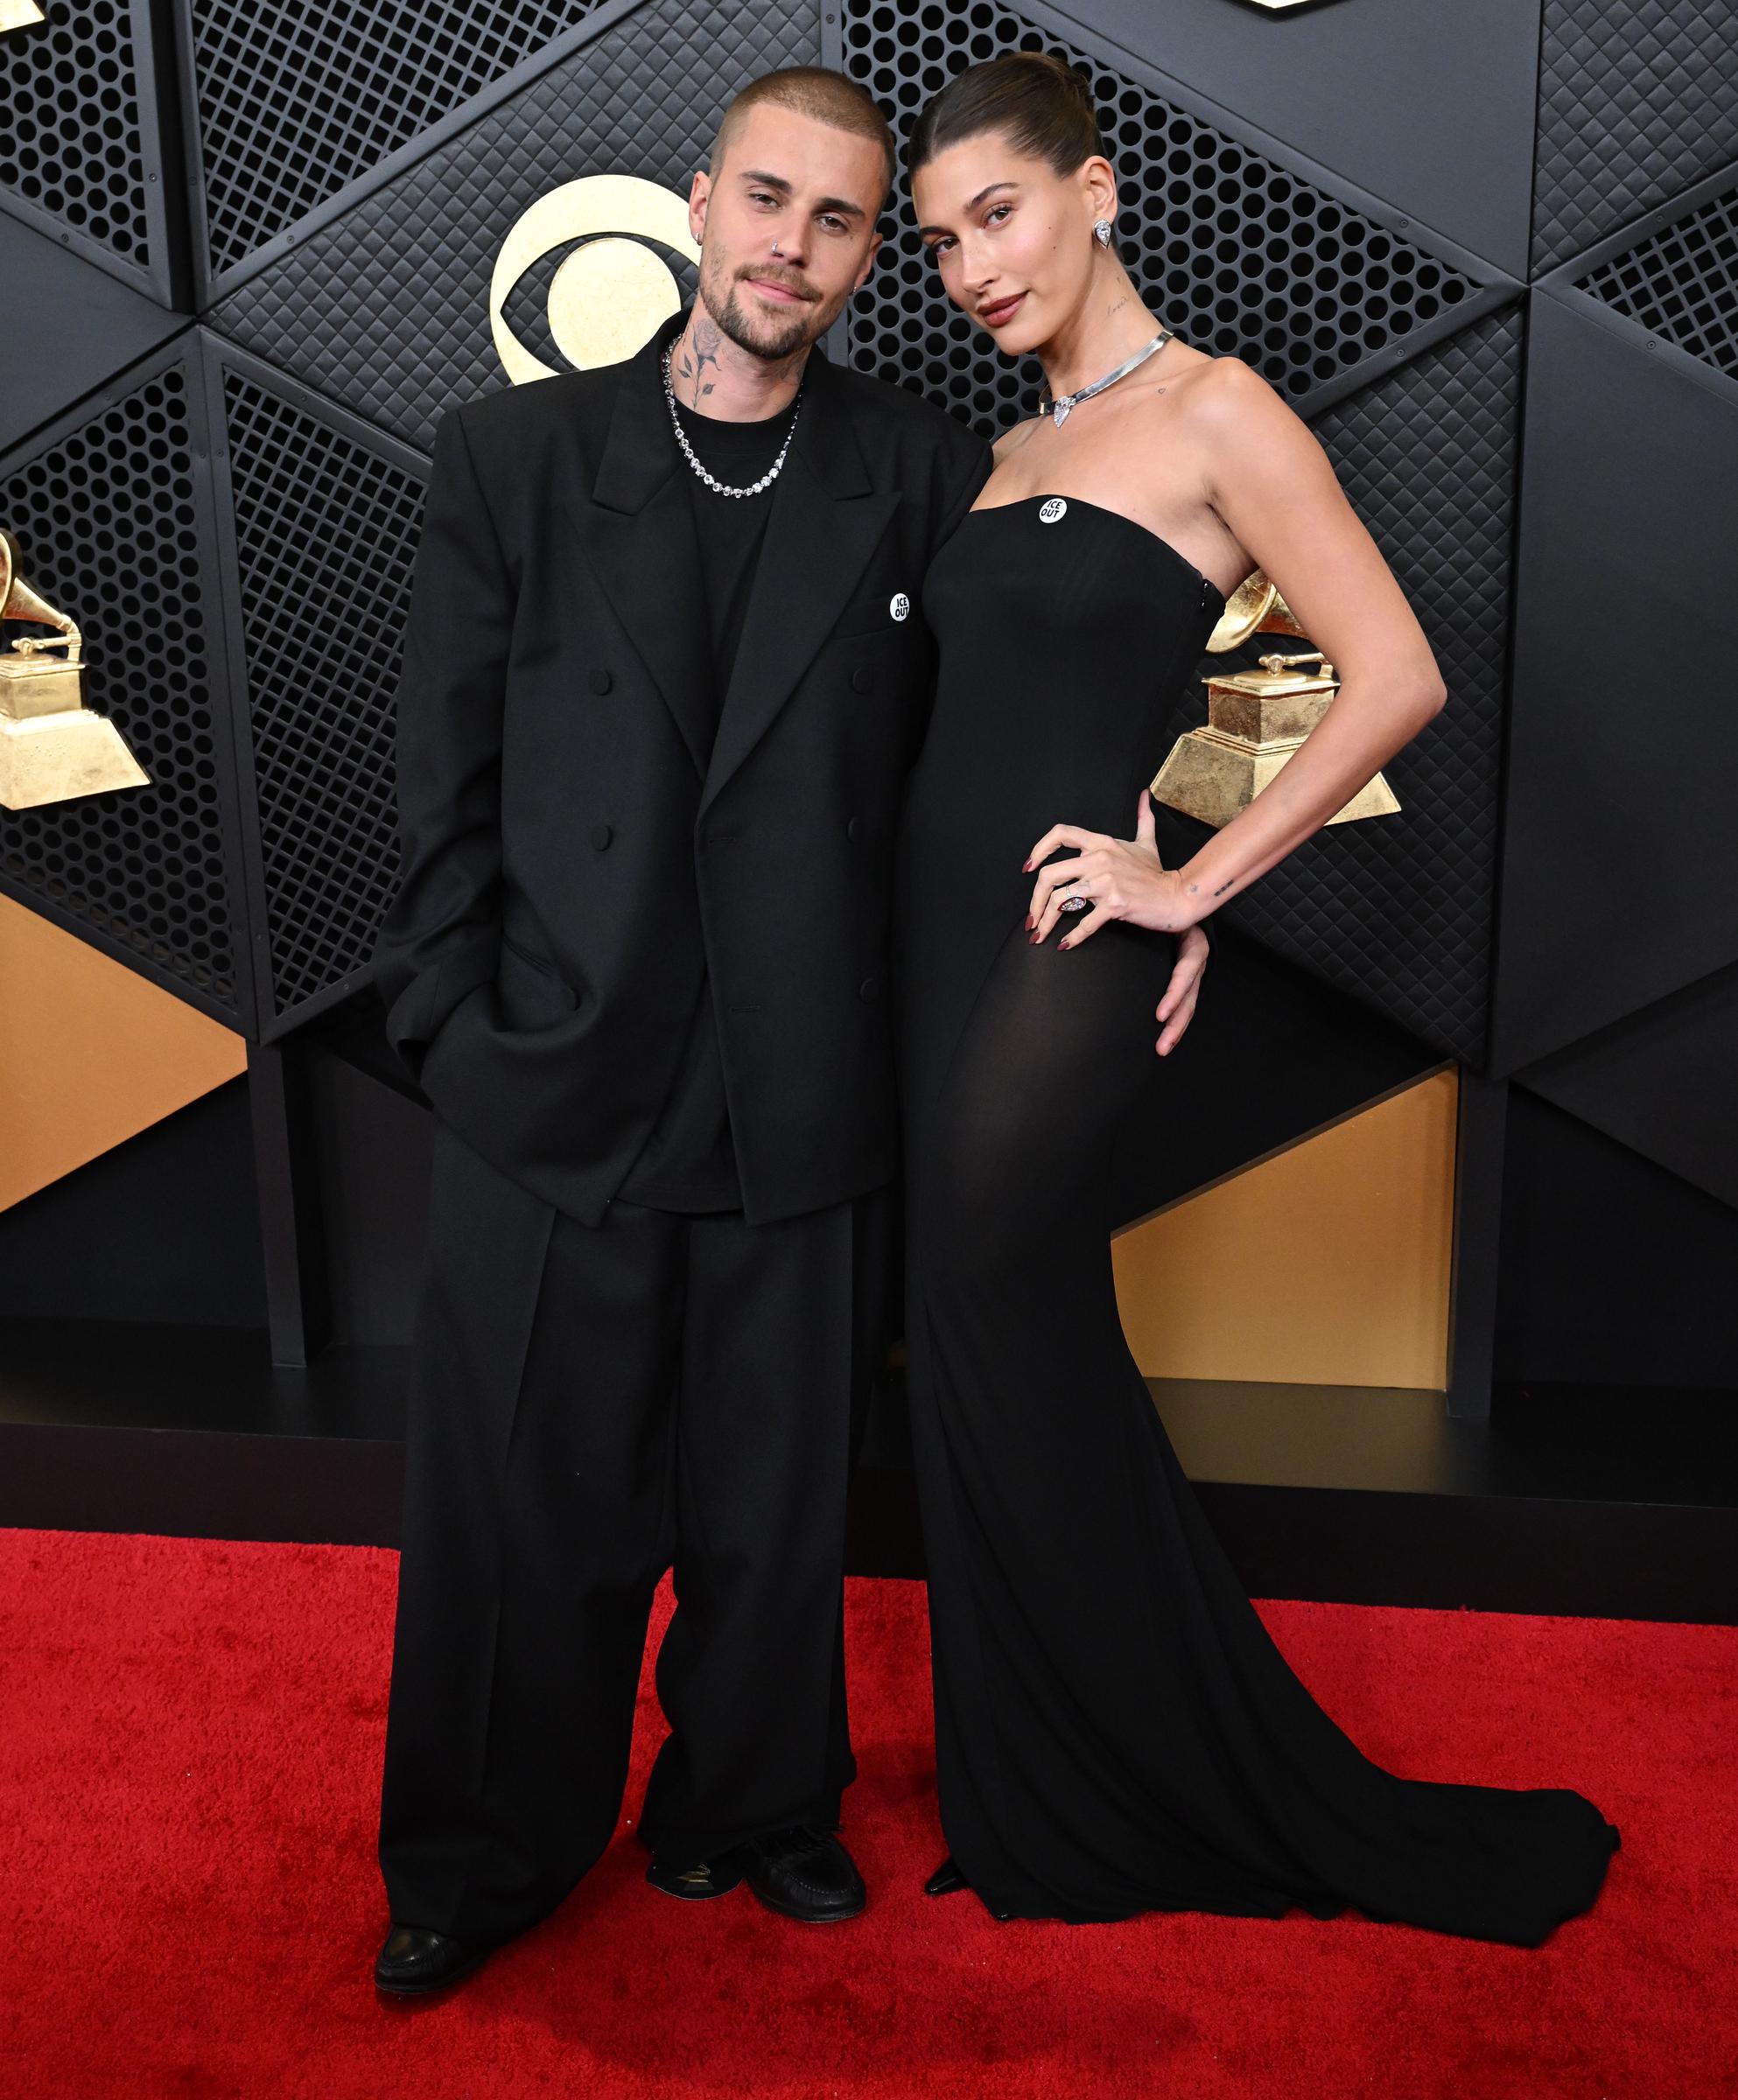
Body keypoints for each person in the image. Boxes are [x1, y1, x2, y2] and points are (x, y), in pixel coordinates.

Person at [895, 51, 1621, 1942]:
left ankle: (1145, 1785)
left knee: (983, 1306)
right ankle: (1046, 1777)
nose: (972, 266)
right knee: (997, 1334)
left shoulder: (1219, 412)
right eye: (942, 240)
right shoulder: (1002, 450)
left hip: (1065, 945)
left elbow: (1392, 672)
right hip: (929, 939)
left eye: (1001, 213)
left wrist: (1193, 881)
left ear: (1099, 189)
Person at [366, 66, 1072, 1996]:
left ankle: (747, 1808)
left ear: (870, 258)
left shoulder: (918, 469)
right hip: (554, 1080)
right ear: (697, 202)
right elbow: (440, 784)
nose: (794, 244)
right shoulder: (511, 458)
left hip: (803, 1089)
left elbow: (1001, 738)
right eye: (769, 197)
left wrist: (1152, 852)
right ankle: (478, 1856)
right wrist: (457, 1030)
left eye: (842, 220)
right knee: (526, 1506)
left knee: (773, 1507)